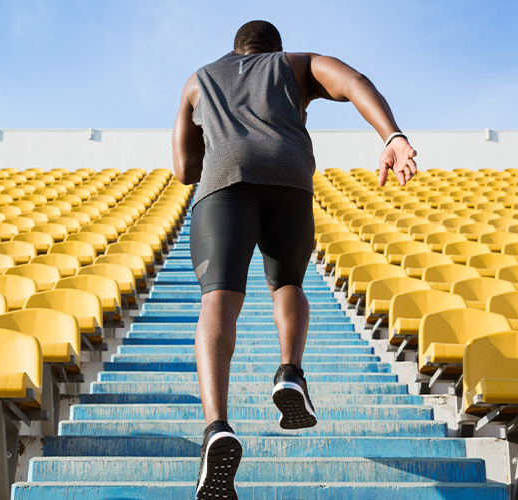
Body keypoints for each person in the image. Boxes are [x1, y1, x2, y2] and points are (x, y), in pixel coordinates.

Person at [171, 20, 419, 500]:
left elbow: (184, 170)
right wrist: (392, 137)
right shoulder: (295, 64)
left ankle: (217, 426)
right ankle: (290, 371)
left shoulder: (197, 79)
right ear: (274, 49)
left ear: (235, 49)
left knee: (219, 295)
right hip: (290, 179)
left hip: (226, 183)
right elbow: (352, 82)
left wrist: (220, 134)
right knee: (287, 284)